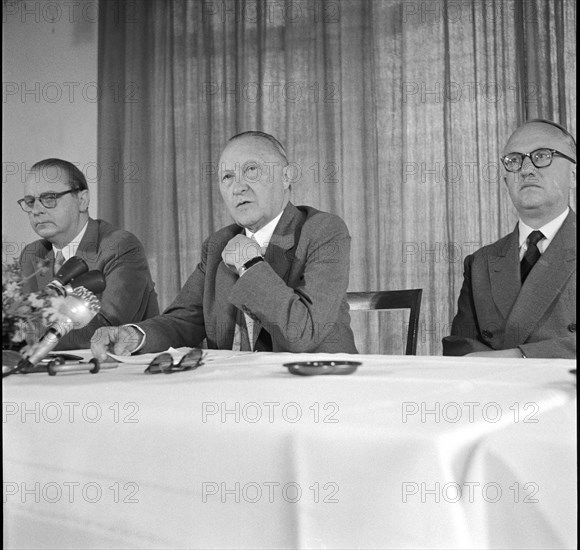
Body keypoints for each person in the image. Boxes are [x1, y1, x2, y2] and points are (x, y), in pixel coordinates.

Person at [91, 131, 357, 359]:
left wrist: (250, 264)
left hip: (316, 390)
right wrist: (134, 335)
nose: (237, 187)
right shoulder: (218, 244)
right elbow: (184, 320)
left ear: (286, 176)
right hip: (236, 392)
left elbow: (303, 333)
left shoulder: (323, 231)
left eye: (251, 170)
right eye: (227, 177)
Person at [443, 119, 576, 359]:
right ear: (506, 182)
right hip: (496, 393)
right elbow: (460, 344)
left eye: (542, 156)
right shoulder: (481, 262)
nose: (526, 169)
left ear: (574, 174)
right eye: (514, 161)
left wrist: (519, 357)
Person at [19, 158, 159, 349]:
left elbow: (106, 328)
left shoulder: (120, 247)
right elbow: (23, 319)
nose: (36, 210)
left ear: (82, 200)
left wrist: (22, 335)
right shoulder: (32, 254)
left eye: (49, 198)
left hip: (116, 371)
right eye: (30, 201)